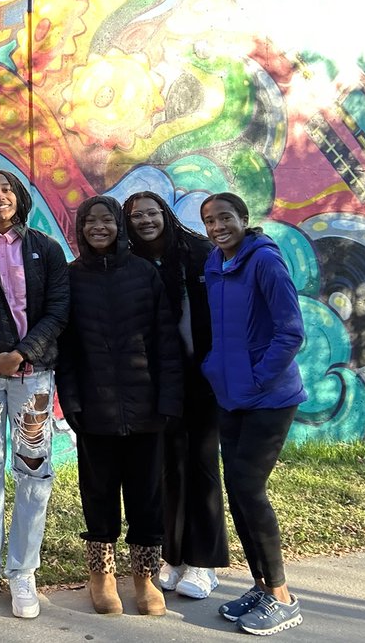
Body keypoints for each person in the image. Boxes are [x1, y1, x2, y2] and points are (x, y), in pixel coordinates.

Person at [56, 195, 183, 617]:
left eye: (106, 220)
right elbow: (67, 349)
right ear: (81, 229)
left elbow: (166, 341)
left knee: (147, 496)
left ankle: (144, 577)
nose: (98, 227)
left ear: (118, 226)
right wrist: (71, 402)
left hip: (146, 407)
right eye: (90, 221)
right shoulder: (72, 278)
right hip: (94, 409)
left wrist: (168, 399)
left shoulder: (144, 273)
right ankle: (102, 576)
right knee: (98, 494)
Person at [0, 170, 69, 620]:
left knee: (33, 470)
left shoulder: (45, 248)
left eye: (5, 189)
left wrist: (22, 353)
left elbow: (59, 309)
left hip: (33, 377)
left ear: (19, 197)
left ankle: (23, 570)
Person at [200, 192, 307, 636]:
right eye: (209, 220)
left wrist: (258, 379)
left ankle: (282, 597)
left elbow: (290, 331)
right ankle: (261, 586)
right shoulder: (214, 264)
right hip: (230, 397)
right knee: (238, 490)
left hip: (270, 398)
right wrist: (214, 369)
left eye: (225, 217)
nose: (218, 226)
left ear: (244, 219)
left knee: (248, 486)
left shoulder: (265, 262)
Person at [124, 191, 229, 599]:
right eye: (137, 216)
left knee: (202, 468)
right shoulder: (133, 263)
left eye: (152, 213)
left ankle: (205, 563)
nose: (146, 221)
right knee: (169, 469)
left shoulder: (198, 253)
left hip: (202, 377)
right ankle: (176, 557)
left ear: (164, 215)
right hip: (160, 381)